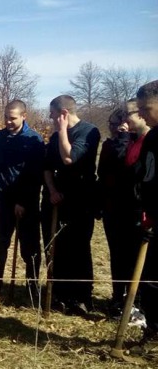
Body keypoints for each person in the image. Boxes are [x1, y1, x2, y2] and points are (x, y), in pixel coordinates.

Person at [41, 95, 100, 316]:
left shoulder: (89, 132)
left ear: (64, 114)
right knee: (57, 247)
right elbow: (47, 167)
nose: (50, 118)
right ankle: (60, 294)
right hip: (57, 200)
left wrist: (63, 130)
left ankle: (82, 297)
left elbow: (69, 158)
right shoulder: (55, 136)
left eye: (54, 114)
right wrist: (53, 190)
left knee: (79, 248)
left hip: (81, 200)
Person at [0, 100, 44, 299]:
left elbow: (35, 175)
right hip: (1, 201)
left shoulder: (33, 140)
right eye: (6, 117)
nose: (8, 121)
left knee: (30, 247)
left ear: (23, 116)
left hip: (27, 204)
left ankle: (32, 289)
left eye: (13, 118)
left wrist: (22, 201)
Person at [97, 108, 139, 318]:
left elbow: (124, 164)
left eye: (118, 124)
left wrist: (124, 138)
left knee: (132, 256)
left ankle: (134, 301)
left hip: (131, 210)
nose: (114, 128)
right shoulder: (108, 145)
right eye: (111, 124)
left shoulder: (136, 144)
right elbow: (102, 174)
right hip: (111, 209)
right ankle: (117, 297)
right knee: (117, 255)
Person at [136, 80, 158, 351]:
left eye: (146, 108)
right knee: (151, 281)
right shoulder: (151, 137)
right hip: (151, 219)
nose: (141, 114)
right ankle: (154, 332)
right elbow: (145, 177)